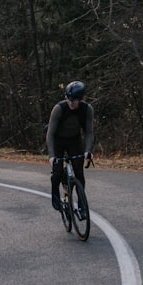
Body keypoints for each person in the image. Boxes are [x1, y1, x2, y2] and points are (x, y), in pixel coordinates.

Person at [46, 81, 95, 211]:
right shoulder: (59, 108)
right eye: (68, 99)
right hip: (58, 141)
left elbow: (89, 132)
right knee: (57, 172)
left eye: (74, 100)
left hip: (74, 140)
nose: (70, 103)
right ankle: (56, 196)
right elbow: (50, 134)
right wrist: (52, 156)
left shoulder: (87, 109)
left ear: (81, 99)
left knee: (79, 172)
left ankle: (81, 206)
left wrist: (88, 151)